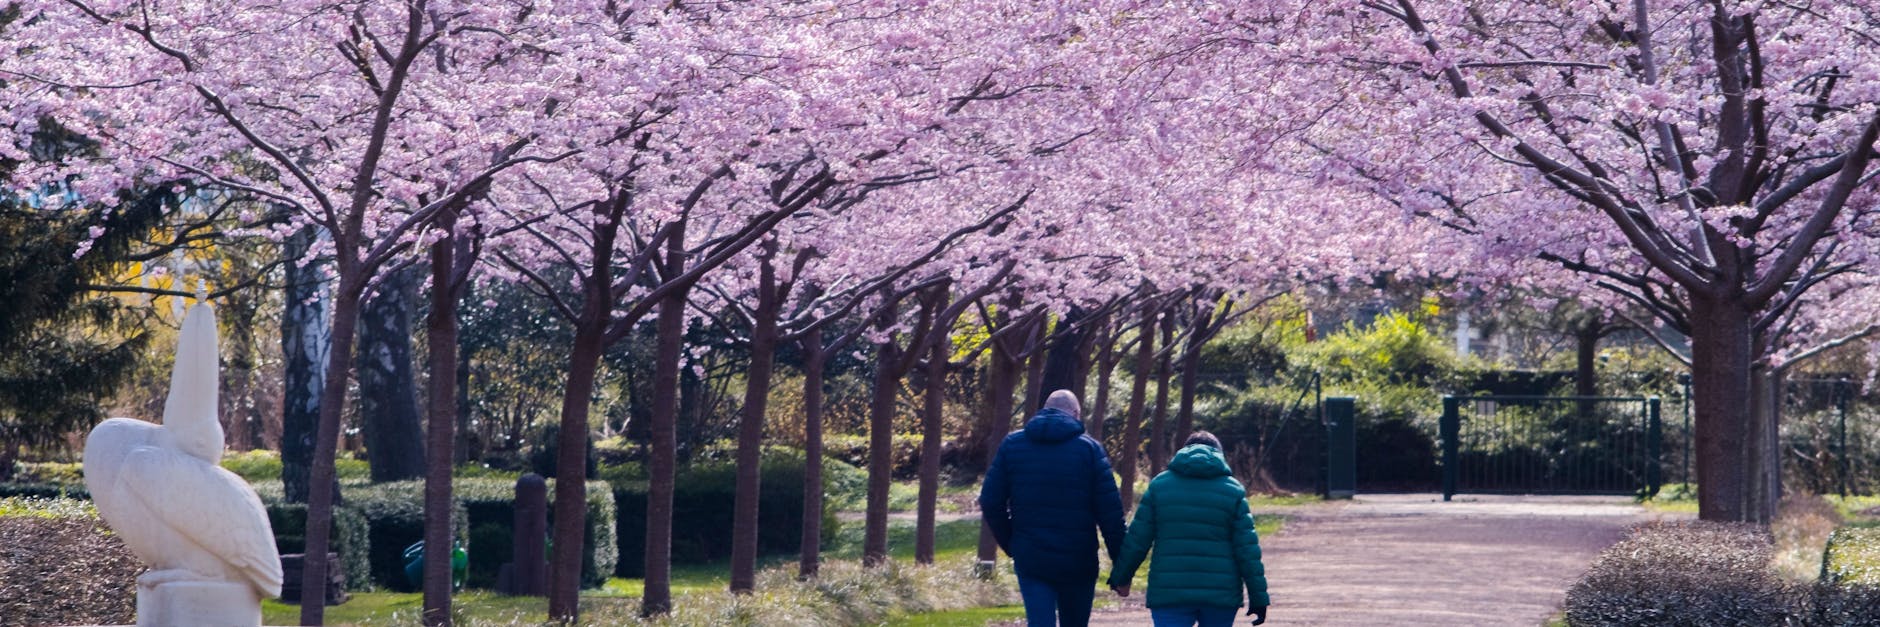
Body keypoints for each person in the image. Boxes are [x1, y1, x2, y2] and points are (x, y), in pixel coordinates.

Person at [979, 389, 1128, 627]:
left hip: (1032, 556)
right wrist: (1122, 568)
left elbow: (989, 500)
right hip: (1078, 559)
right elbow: (1110, 515)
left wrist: (1012, 543)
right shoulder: (1090, 450)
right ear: (1076, 414)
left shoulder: (1012, 445)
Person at [1106, 431, 1269, 627]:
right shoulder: (1232, 490)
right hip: (1220, 594)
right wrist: (1258, 597)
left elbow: (1138, 539)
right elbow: (1247, 549)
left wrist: (1121, 577)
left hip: (1169, 592)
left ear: (1183, 451)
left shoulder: (1160, 486)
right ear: (1219, 454)